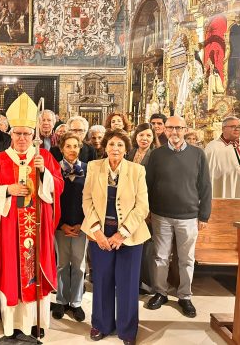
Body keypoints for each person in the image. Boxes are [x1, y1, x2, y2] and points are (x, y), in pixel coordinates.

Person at [0, 93, 64, 339]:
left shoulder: (44, 158)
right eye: (17, 133)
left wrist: (44, 175)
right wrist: (7, 190)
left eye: (26, 134)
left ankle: (36, 321)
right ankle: (12, 325)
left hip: (36, 229)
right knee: (12, 272)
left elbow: (58, 187)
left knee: (34, 271)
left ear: (33, 135)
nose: (21, 138)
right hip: (9, 230)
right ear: (10, 135)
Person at [81, 129, 150, 345]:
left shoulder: (137, 171)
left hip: (129, 236)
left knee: (128, 284)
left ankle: (128, 330)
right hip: (100, 233)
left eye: (120, 145)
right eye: (111, 144)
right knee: (101, 281)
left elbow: (142, 207)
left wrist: (122, 234)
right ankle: (101, 324)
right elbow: (87, 200)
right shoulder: (94, 167)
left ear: (126, 148)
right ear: (105, 147)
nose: (115, 149)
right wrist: (97, 232)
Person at [145, 116, 211, 318]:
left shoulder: (198, 154)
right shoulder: (156, 155)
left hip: (189, 216)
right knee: (160, 257)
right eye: (171, 128)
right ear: (164, 130)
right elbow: (147, 184)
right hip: (160, 215)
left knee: (187, 258)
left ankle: (185, 296)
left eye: (179, 128)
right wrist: (147, 210)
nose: (175, 132)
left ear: (185, 129)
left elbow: (205, 186)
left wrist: (204, 215)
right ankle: (160, 292)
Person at [52, 132, 88, 323]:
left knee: (79, 265)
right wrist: (61, 225)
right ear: (62, 148)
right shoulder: (54, 170)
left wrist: (84, 224)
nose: (72, 150)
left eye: (76, 146)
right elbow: (50, 201)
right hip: (61, 226)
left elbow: (92, 200)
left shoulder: (88, 170)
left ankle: (76, 302)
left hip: (82, 226)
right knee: (62, 264)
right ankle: (61, 300)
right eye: (68, 146)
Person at [126, 123, 158, 294]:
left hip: (146, 206)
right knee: (130, 244)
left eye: (148, 136)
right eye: (141, 135)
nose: (144, 139)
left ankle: (144, 282)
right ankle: (131, 280)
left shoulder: (155, 156)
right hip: (128, 205)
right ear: (135, 136)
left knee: (145, 246)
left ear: (153, 138)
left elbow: (156, 185)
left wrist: (148, 210)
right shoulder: (130, 153)